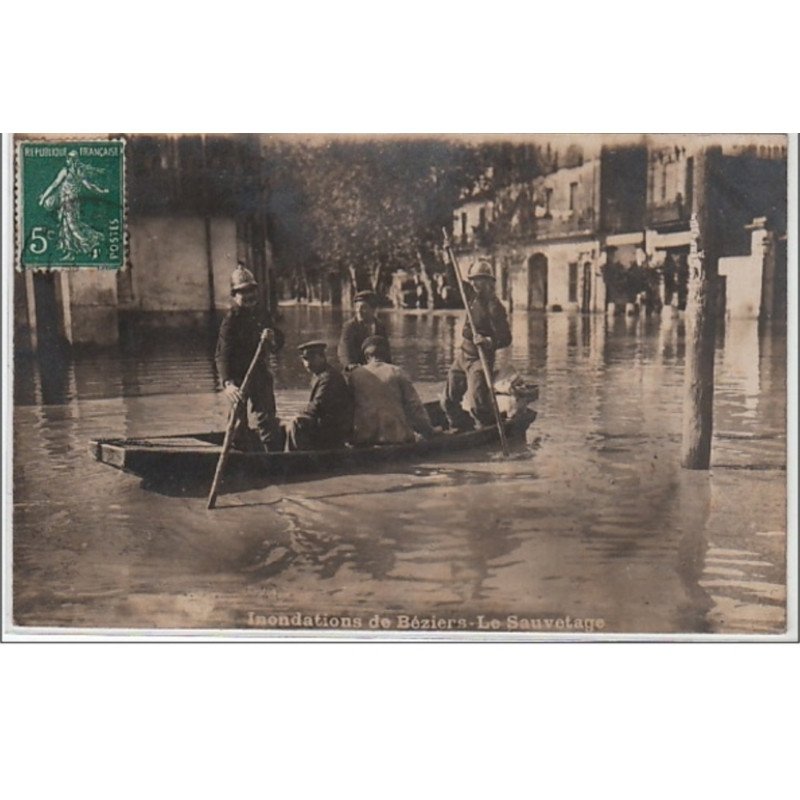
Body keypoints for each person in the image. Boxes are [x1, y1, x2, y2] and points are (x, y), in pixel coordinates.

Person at [215, 264, 285, 452]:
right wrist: (228, 383)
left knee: (267, 418)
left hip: (259, 373)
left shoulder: (262, 314)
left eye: (251, 291)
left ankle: (273, 456)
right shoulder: (231, 320)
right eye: (243, 292)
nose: (248, 296)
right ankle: (241, 456)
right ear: (235, 295)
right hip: (238, 379)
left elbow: (278, 343)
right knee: (238, 422)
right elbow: (222, 354)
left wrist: (272, 339)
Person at [441, 259, 512, 430]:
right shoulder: (471, 295)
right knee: (447, 400)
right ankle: (459, 425)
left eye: (478, 279)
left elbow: (506, 338)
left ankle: (489, 426)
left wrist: (488, 341)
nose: (473, 283)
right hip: (463, 355)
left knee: (477, 405)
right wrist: (447, 257)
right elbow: (453, 280)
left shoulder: (495, 307)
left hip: (480, 359)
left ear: (489, 282)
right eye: (472, 279)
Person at [348, 336, 437, 446]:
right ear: (386, 354)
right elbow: (414, 407)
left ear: (366, 356)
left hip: (364, 437)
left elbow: (348, 407)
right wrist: (428, 430)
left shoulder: (354, 375)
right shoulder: (397, 372)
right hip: (394, 436)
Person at [37, 150, 109, 260]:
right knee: (66, 226)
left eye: (70, 159)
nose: (69, 160)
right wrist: (43, 198)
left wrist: (100, 191)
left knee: (72, 226)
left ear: (72, 160)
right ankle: (71, 253)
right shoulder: (71, 172)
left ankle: (94, 245)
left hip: (70, 203)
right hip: (66, 202)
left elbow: (87, 185)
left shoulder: (73, 172)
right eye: (69, 159)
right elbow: (55, 185)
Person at [284, 341, 354, 451]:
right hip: (325, 426)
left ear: (322, 357)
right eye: (305, 359)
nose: (307, 364)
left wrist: (298, 416)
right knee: (287, 424)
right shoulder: (319, 375)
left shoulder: (329, 378)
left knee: (297, 423)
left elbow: (317, 406)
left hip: (334, 431)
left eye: (311, 358)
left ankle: (292, 460)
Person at [337, 290, 391, 369]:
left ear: (373, 309)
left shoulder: (380, 326)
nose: (359, 311)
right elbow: (343, 351)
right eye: (357, 307)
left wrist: (389, 367)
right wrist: (349, 365)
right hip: (356, 369)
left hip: (377, 367)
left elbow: (386, 351)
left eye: (363, 307)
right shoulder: (349, 327)